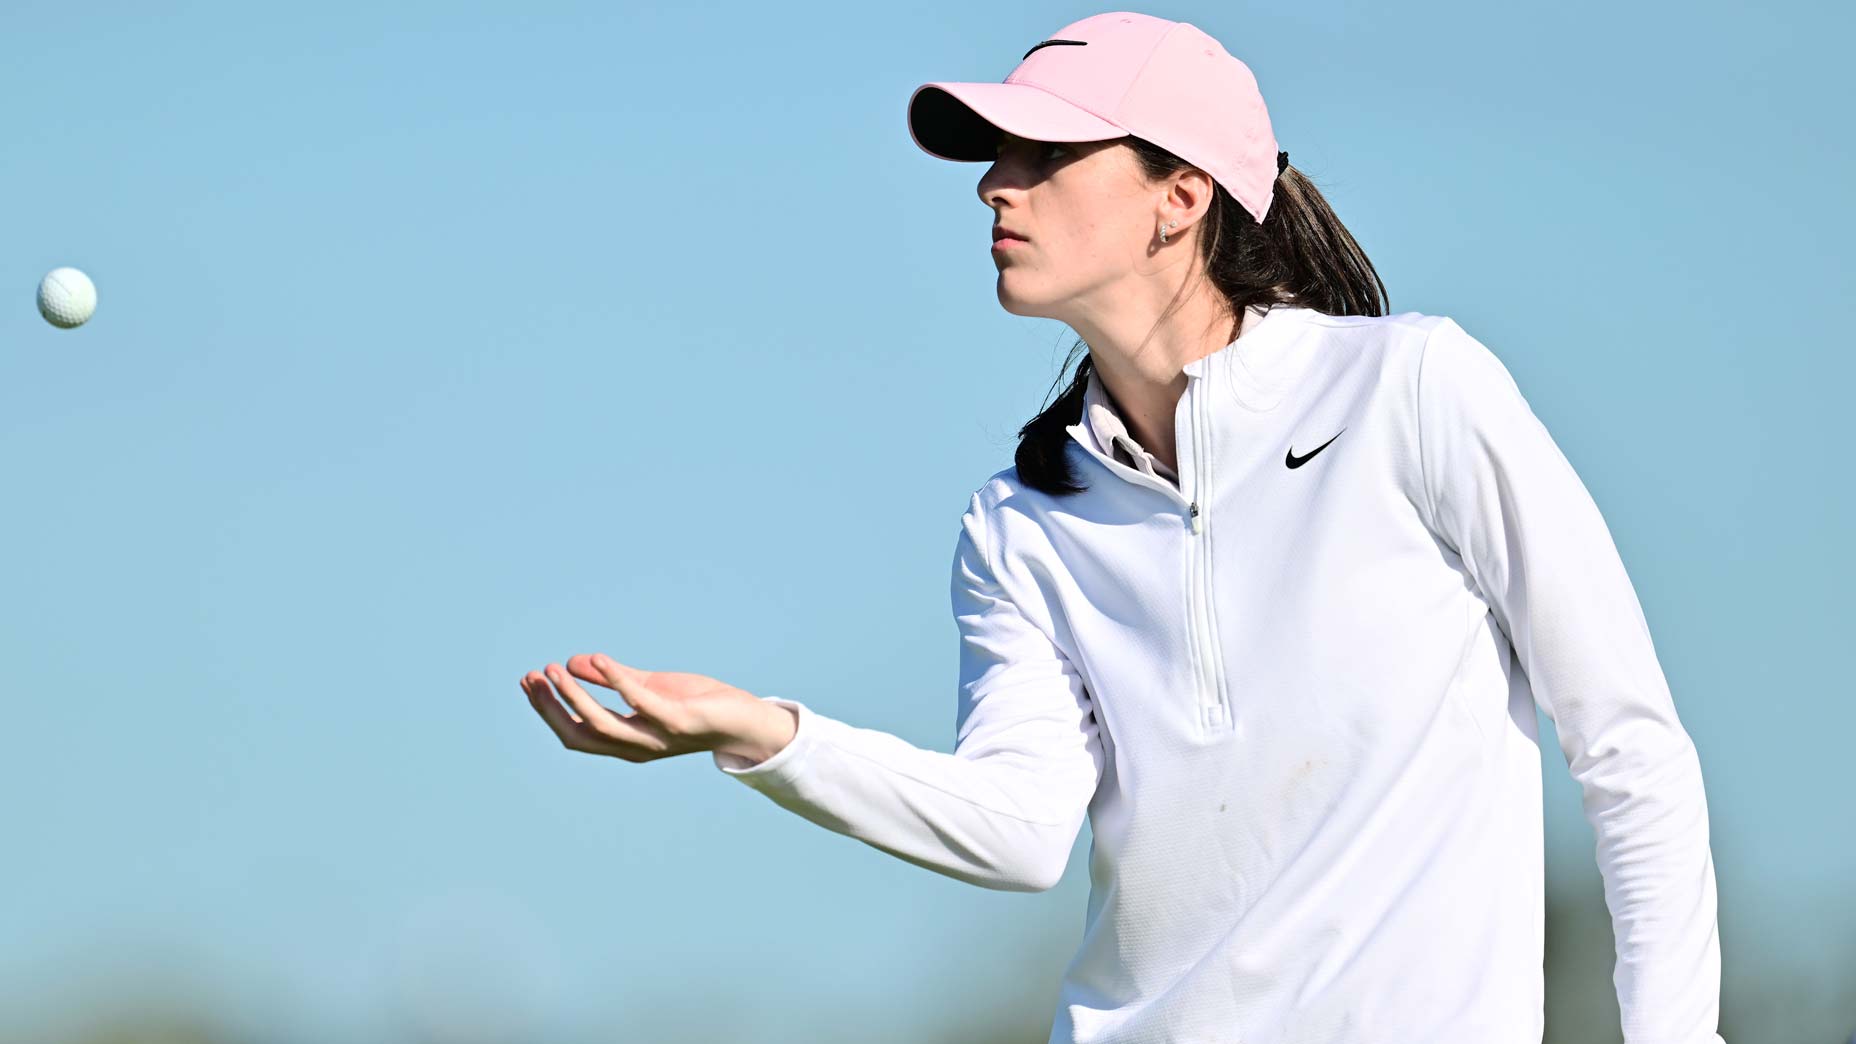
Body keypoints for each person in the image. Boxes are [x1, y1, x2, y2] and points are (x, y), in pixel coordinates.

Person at [519, 11, 1724, 1043]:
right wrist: (763, 733)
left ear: (1178, 198)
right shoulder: (1018, 521)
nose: (995, 183)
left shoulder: (1410, 390)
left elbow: (1627, 746)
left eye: (1044, 155)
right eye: (997, 156)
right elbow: (1019, 831)